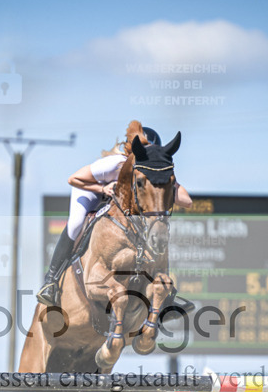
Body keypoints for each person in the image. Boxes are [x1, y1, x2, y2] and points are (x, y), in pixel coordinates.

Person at [36, 121, 192, 306]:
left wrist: (166, 186)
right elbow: (73, 179)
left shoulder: (153, 170)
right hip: (90, 189)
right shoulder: (114, 164)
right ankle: (51, 280)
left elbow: (187, 201)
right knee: (77, 223)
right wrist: (102, 188)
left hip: (119, 198)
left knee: (155, 232)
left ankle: (165, 298)